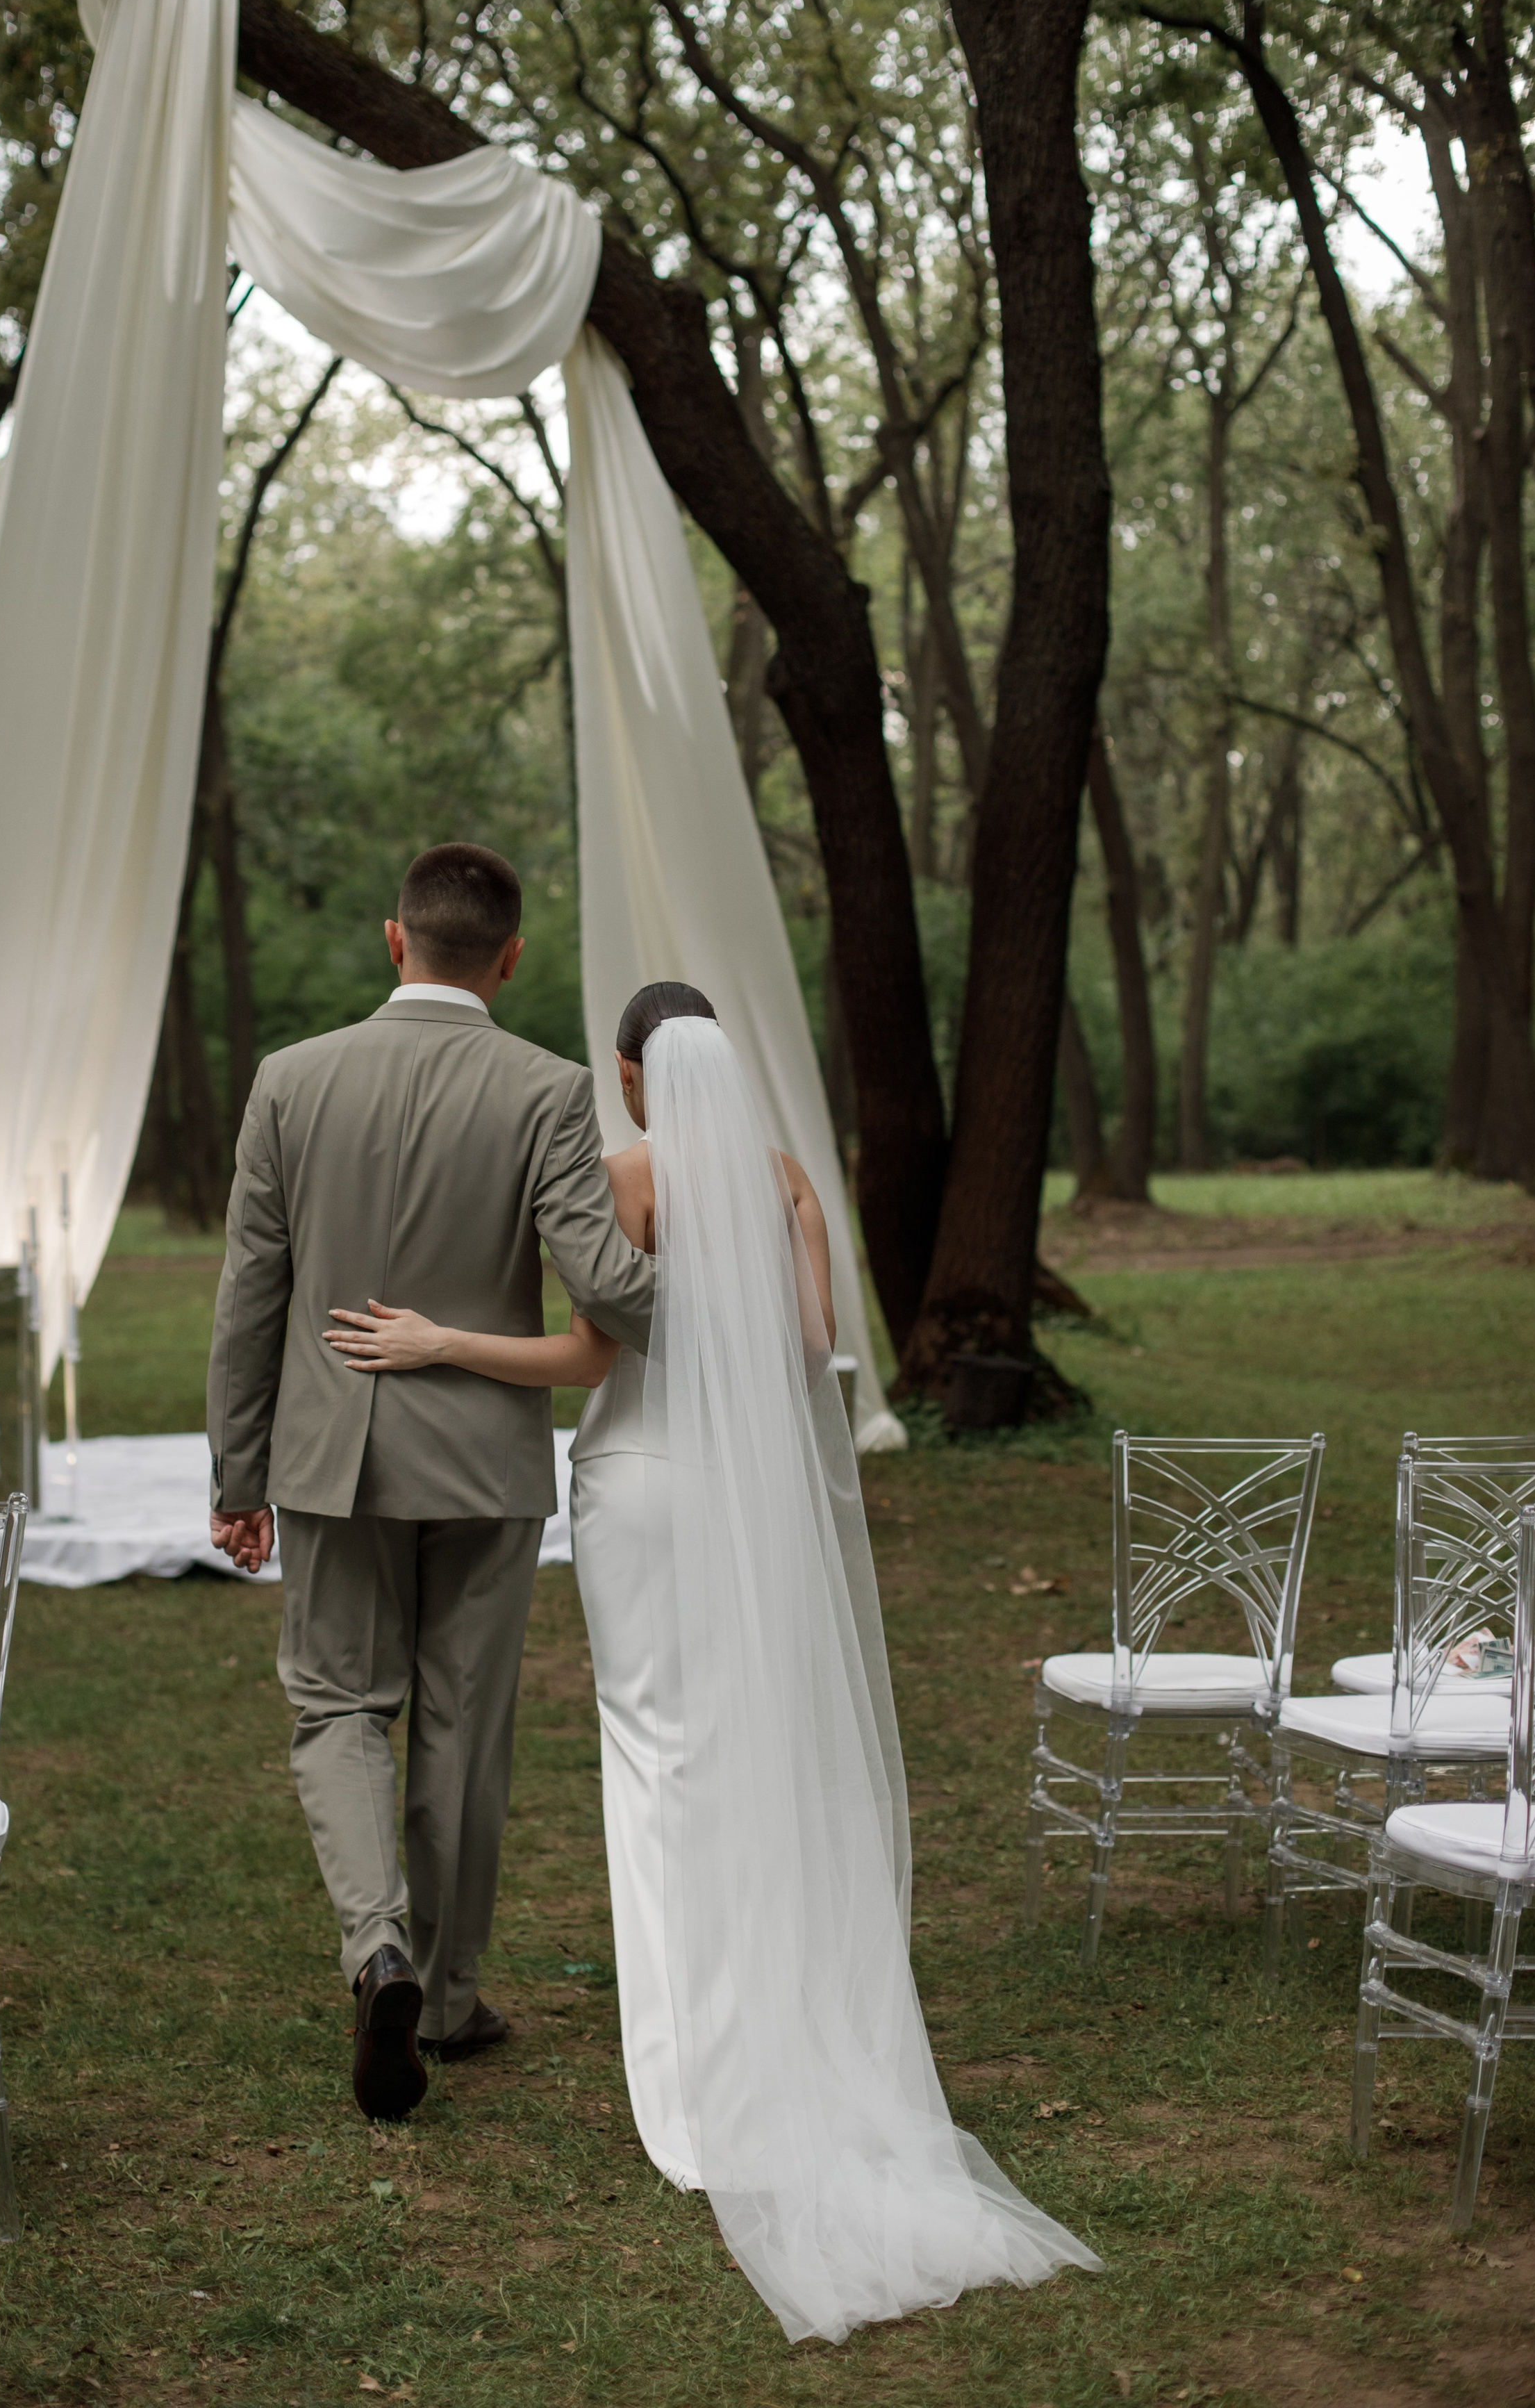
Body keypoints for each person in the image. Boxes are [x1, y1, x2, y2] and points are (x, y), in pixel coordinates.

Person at [325, 982, 1101, 2345]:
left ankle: (695, 2082)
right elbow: (811, 1356)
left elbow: (586, 1350)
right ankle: (780, 2032)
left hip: (639, 1485)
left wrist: (441, 1342)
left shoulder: (623, 1177)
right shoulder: (786, 1181)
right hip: (750, 1499)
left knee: (655, 1763)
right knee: (750, 1753)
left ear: (632, 1071)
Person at [206, 845, 656, 2125]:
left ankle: (377, 1951)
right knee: (465, 1726)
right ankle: (449, 2001)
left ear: (393, 939)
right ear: (510, 957)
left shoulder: (290, 1082)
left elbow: (253, 1295)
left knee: (340, 1706)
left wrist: (240, 1469)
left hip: (331, 1458)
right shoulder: (552, 1091)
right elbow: (611, 1290)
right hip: (486, 1463)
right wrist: (735, 1294)